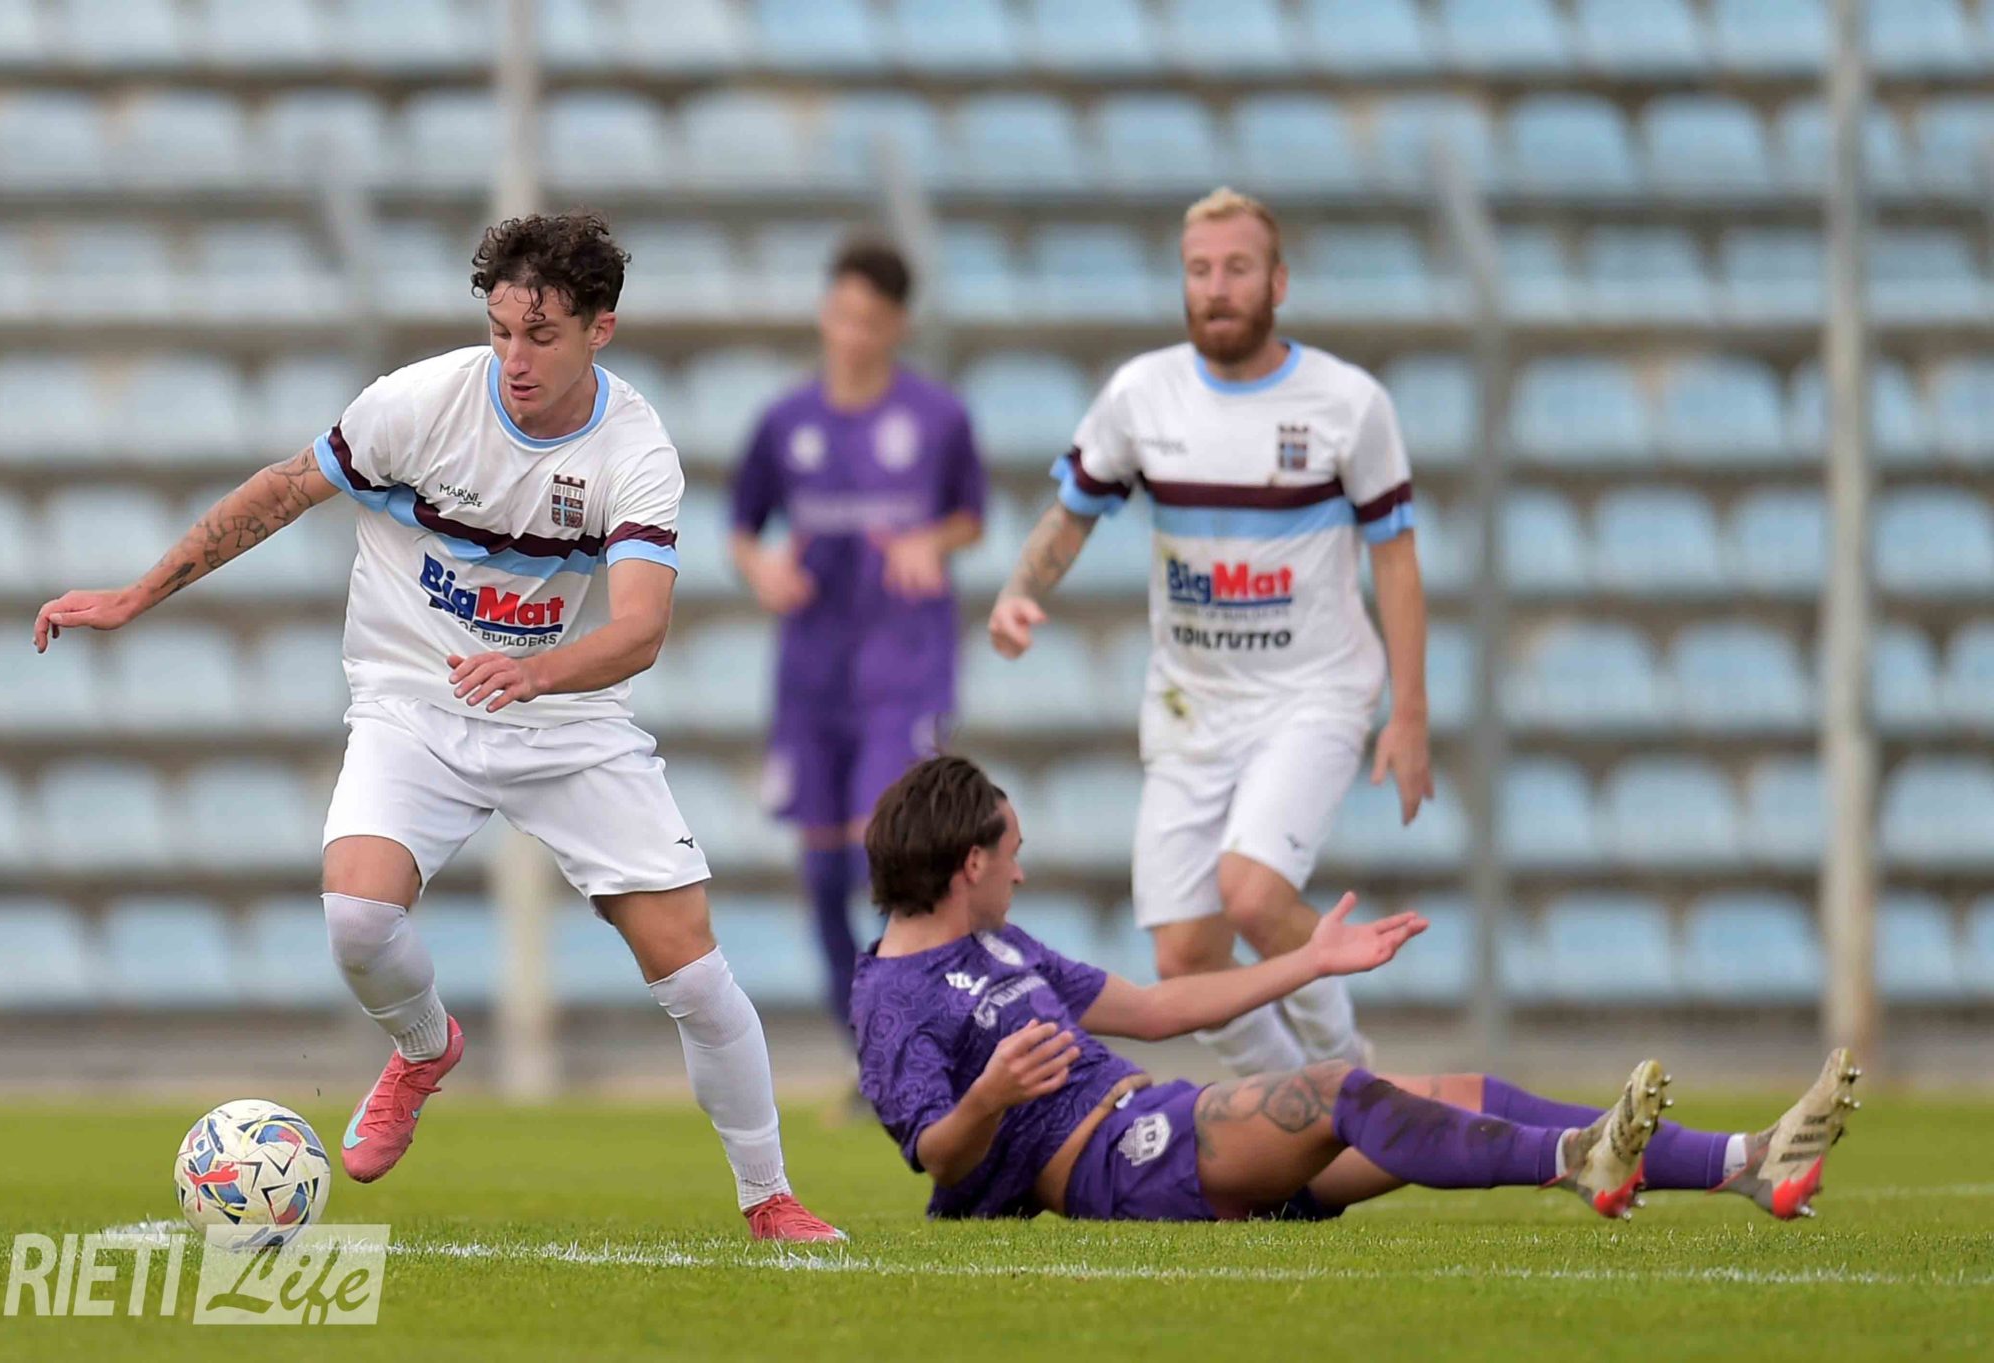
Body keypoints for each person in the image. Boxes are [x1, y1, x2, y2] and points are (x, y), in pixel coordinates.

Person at [32, 211, 842, 1242]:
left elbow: (640, 630)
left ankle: (768, 1195)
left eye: (541, 335)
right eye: (501, 330)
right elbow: (283, 490)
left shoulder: (634, 450)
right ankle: (424, 1047)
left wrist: (535, 672)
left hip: (563, 715)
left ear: (600, 329)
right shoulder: (417, 404)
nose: (514, 358)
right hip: (413, 699)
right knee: (357, 917)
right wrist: (136, 594)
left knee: (690, 969)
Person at [851, 756, 1862, 1224]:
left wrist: (1310, 962)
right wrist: (991, 1097)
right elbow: (932, 1152)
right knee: (1340, 1090)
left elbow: (1156, 1008)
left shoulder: (1002, 943)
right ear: (969, 863)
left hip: (1154, 1119)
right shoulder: (894, 996)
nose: (1021, 871)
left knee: (1462, 1092)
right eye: (1012, 854)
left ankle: (1746, 1161)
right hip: (1117, 1164)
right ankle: (1575, 1161)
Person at [988, 188, 1433, 1078]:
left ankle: (1348, 1071)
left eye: (1237, 268)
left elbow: (1395, 557)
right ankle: (1293, 1108)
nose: (1217, 287)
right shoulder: (1142, 395)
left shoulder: (1348, 404)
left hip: (1313, 692)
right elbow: (1073, 513)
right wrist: (1018, 591)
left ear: (1279, 282)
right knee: (1184, 955)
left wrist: (1411, 712)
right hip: (1192, 702)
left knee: (1254, 895)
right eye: (1199, 270)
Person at [729, 239, 986, 1048]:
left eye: (869, 321)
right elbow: (742, 528)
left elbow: (971, 516)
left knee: (889, 855)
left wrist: (929, 542)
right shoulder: (786, 422)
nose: (851, 334)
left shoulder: (938, 419)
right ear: (824, 313)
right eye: (841, 316)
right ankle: (869, 1046)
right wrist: (764, 568)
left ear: (898, 325)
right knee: (823, 872)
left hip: (903, 666)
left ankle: (921, 1030)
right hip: (812, 671)